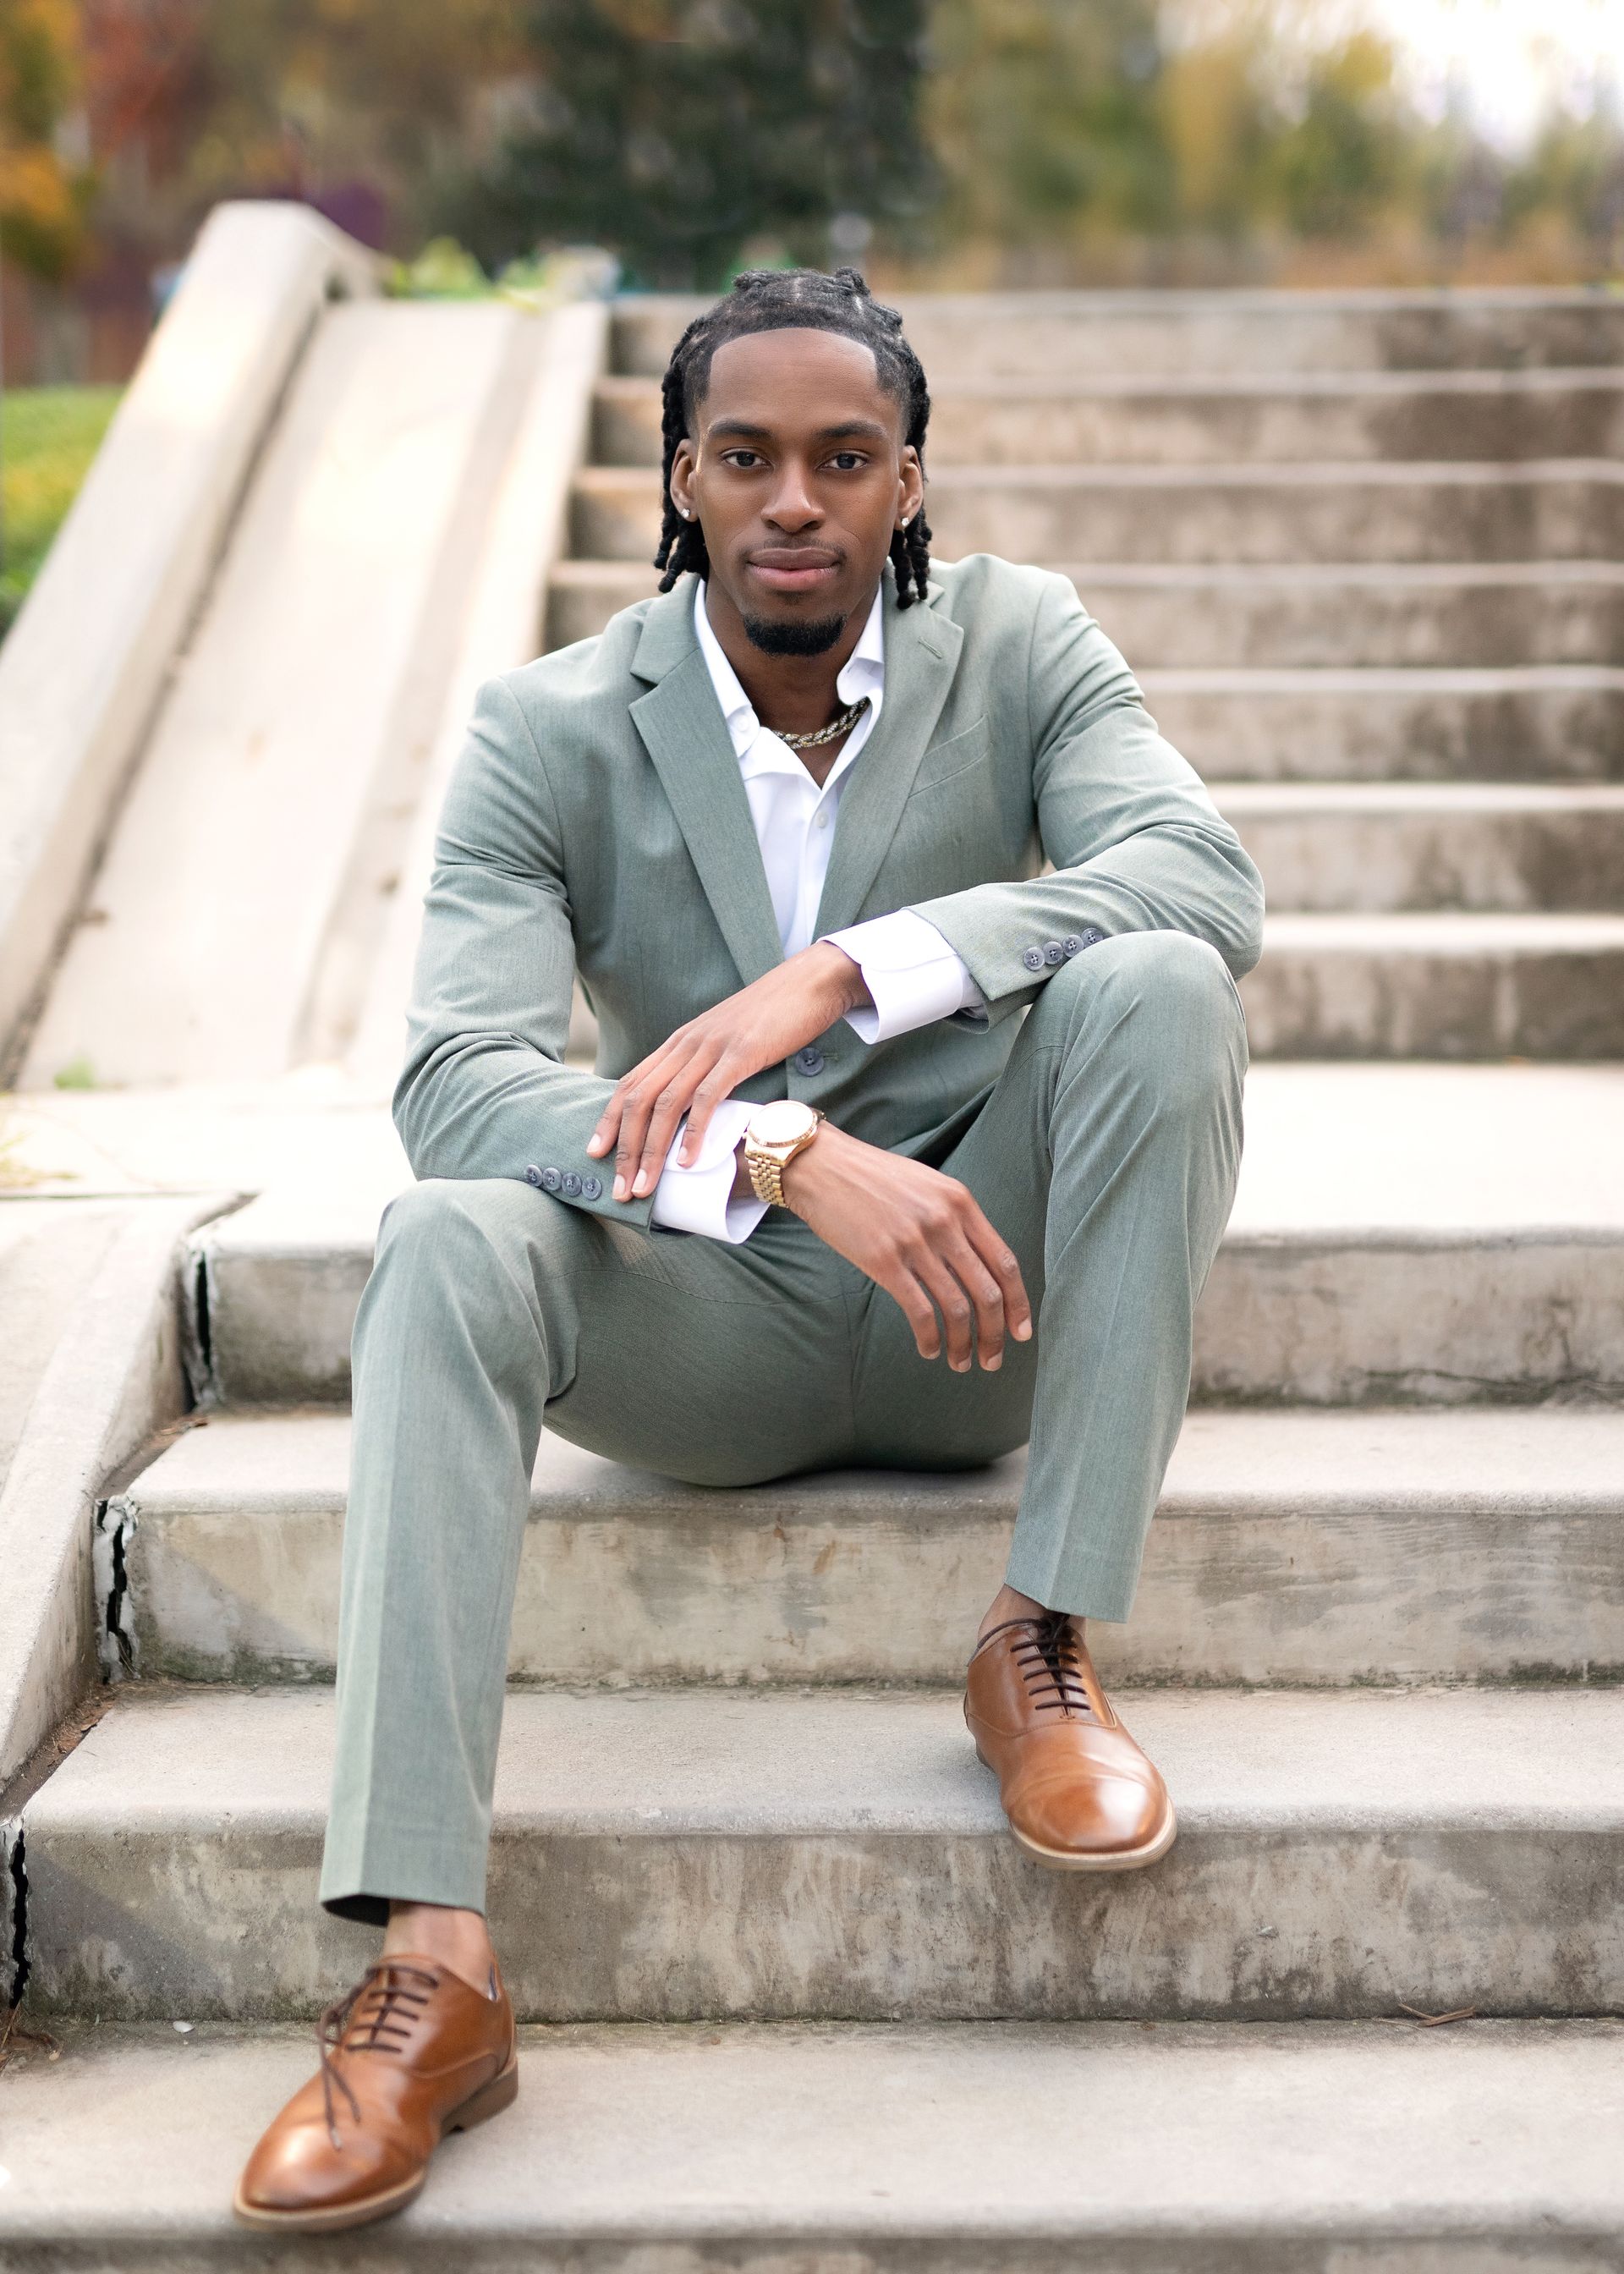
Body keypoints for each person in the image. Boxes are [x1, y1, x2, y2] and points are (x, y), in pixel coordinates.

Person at [234, 266, 1263, 2233]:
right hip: (707, 1322)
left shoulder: (1024, 641)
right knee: (446, 1234)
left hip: (990, 1296)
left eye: (844, 458)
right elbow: (458, 1079)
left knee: (1159, 990)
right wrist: (780, 1151)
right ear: (682, 478)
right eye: (748, 457)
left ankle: (1041, 1641)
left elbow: (1202, 877)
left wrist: (841, 976)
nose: (796, 498)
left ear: (905, 483)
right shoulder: (548, 729)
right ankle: (432, 1967)